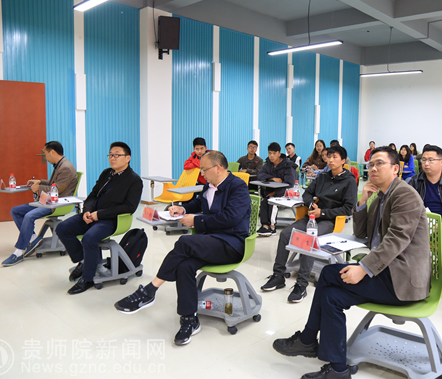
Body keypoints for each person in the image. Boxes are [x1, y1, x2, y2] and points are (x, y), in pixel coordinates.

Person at [272, 146, 430, 379]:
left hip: (401, 278)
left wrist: (363, 268)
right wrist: (363, 200)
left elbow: (397, 240)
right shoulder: (381, 196)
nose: (373, 168)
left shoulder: (404, 195)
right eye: (371, 164)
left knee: (328, 274)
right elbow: (361, 232)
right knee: (331, 296)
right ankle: (337, 368)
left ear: (396, 169)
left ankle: (307, 340)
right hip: (385, 272)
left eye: (379, 163)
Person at [114, 151, 251, 346]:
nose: (202, 174)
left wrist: (197, 220)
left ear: (218, 168)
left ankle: (150, 290)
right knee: (184, 266)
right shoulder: (209, 185)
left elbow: (231, 218)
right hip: (210, 241)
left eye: (204, 170)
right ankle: (189, 319)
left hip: (230, 243)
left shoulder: (238, 187)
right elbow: (200, 202)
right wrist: (183, 208)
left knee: (184, 242)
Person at [261, 145, 357, 303]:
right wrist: (311, 204)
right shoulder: (323, 176)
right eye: (328, 156)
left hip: (330, 220)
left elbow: (348, 209)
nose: (330, 160)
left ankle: (301, 284)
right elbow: (307, 193)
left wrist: (323, 213)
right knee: (285, 234)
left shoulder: (349, 181)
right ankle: (278, 275)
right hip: (312, 216)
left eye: (335, 157)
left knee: (308, 237)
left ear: (343, 160)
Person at [56, 142, 143, 295]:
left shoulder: (134, 180)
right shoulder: (106, 173)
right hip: (92, 215)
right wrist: (87, 211)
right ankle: (84, 261)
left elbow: (129, 207)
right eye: (111, 155)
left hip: (112, 220)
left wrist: (100, 214)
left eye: (117, 155)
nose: (113, 158)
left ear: (127, 158)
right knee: (62, 228)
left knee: (89, 238)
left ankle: (87, 278)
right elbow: (93, 195)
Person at [2, 141, 78, 267]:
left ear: (52, 152)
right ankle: (33, 239)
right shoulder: (59, 165)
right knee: (15, 211)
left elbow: (58, 189)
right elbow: (54, 183)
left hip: (57, 204)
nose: (45, 157)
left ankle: (19, 252)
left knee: (29, 216)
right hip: (49, 201)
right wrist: (40, 181)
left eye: (45, 153)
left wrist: (39, 188)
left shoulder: (66, 167)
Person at [256, 142, 297, 236]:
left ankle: (272, 227)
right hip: (271, 192)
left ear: (279, 154)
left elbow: (290, 184)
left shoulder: (287, 166)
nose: (271, 156)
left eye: (274, 153)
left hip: (284, 192)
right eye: (270, 153)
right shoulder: (268, 164)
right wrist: (272, 178)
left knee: (272, 202)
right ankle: (265, 226)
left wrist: (275, 192)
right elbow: (260, 175)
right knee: (264, 201)